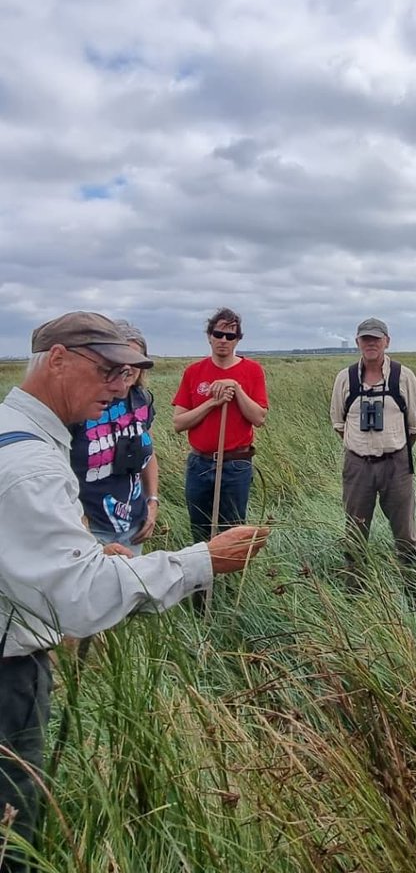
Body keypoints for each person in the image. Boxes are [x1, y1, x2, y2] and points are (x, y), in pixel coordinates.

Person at [0, 312, 269, 870]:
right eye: (107, 370)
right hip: (9, 670)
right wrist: (204, 560)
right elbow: (80, 598)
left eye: (128, 374)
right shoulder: (32, 466)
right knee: (12, 831)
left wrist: (88, 554)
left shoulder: (16, 434)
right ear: (57, 360)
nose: (120, 387)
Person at [329, 318, 416, 585]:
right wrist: (361, 447)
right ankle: (355, 591)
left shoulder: (403, 376)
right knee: (355, 532)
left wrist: (391, 448)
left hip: (396, 465)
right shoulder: (345, 378)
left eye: (376, 338)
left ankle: (413, 590)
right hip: (357, 466)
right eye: (365, 338)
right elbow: (339, 423)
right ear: (357, 342)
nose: (371, 343)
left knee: (405, 534)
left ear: (387, 341)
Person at [172, 308, 268, 544]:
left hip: (236, 464)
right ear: (209, 336)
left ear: (237, 339)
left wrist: (236, 388)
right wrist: (212, 403)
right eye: (218, 334)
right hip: (200, 463)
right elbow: (179, 423)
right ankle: (204, 568)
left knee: (232, 534)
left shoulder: (252, 370)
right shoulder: (194, 371)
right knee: (200, 531)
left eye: (230, 336)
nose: (223, 340)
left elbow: (259, 418)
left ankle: (230, 570)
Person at [69, 320, 159, 556]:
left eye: (135, 359)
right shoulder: (83, 404)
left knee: (132, 580)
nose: (127, 368)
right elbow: (59, 464)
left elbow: (149, 452)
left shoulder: (142, 399)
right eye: (120, 360)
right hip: (90, 526)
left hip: (134, 524)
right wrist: (79, 522)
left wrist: (152, 501)